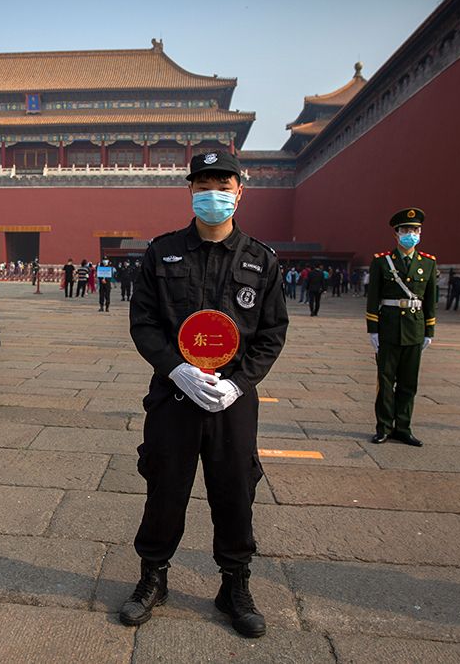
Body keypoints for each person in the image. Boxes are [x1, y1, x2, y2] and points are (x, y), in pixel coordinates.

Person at [122, 151, 288, 639]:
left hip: (232, 401)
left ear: (240, 190)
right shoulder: (163, 252)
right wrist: (176, 370)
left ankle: (234, 583)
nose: (212, 192)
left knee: (235, 490)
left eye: (222, 183)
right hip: (174, 396)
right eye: (202, 184)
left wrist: (238, 383)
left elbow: (272, 332)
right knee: (165, 486)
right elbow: (144, 323)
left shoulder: (261, 260)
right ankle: (154, 575)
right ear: (190, 191)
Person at [365, 207, 437, 447]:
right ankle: (383, 427)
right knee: (385, 382)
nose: (411, 234)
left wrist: (429, 331)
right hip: (388, 329)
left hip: (414, 330)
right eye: (406, 230)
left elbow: (430, 300)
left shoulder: (427, 263)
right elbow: (373, 298)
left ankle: (403, 427)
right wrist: (372, 330)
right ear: (396, 234)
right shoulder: (382, 262)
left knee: (409, 383)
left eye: (415, 230)